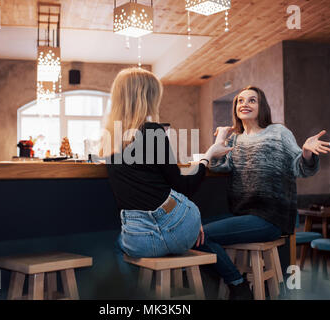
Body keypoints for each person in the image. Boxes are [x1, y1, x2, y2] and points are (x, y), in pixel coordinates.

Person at [99, 68, 233, 297]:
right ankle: (236, 282)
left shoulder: (108, 144)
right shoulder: (153, 132)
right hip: (181, 232)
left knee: (117, 246)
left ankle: (131, 298)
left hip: (139, 242)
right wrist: (208, 155)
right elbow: (185, 186)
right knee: (184, 214)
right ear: (148, 98)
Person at [198, 85, 330, 299]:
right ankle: (237, 282)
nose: (245, 104)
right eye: (240, 101)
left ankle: (237, 285)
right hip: (242, 216)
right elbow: (217, 166)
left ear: (262, 107)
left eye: (252, 100)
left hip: (271, 218)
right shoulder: (235, 140)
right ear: (235, 109)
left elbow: (299, 167)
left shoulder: (278, 133)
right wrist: (220, 139)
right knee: (191, 231)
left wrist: (307, 152)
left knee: (200, 235)